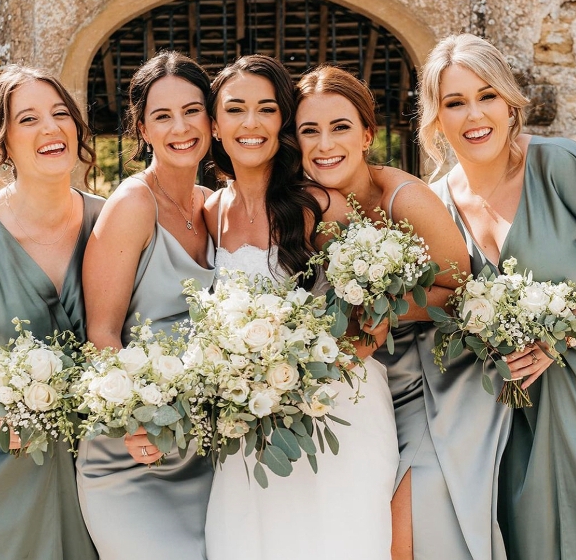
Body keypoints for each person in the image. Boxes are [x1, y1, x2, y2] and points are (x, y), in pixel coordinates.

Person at [202, 54, 399, 560]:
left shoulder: (320, 204)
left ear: (282, 123)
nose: (252, 123)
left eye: (267, 109)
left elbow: (380, 301)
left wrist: (324, 365)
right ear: (215, 124)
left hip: (338, 410)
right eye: (236, 109)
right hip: (251, 423)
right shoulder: (207, 212)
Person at [296, 65, 488, 560]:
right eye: (309, 131)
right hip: (357, 390)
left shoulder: (404, 197)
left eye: (339, 127)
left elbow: (463, 288)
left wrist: (387, 314)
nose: (324, 144)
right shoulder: (311, 206)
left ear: (367, 135)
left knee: (403, 532)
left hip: (429, 383)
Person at [419, 32, 576, 560]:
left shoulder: (561, 166)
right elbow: (439, 313)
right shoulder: (433, 207)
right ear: (436, 119)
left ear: (511, 105)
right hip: (510, 420)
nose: (473, 115)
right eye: (455, 102)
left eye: (486, 95)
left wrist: (561, 330)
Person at [0, 64, 102, 560]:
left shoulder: (113, 223)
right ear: (3, 143)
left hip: (102, 473)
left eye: (61, 114)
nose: (50, 128)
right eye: (29, 119)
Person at [76, 51, 215, 560]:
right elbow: (101, 334)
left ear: (211, 117)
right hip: (134, 453)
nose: (180, 127)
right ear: (142, 127)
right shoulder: (133, 205)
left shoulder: (213, 204)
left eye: (192, 110)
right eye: (162, 116)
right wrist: (132, 420)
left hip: (207, 450)